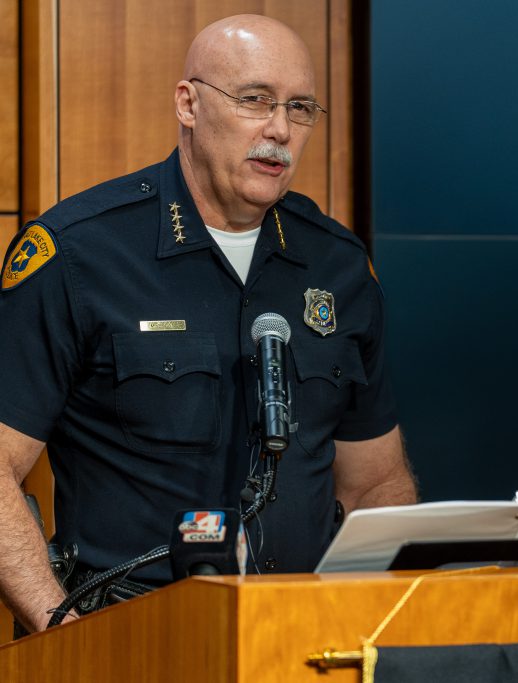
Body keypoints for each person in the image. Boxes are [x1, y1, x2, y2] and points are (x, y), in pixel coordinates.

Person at [0, 14, 417, 633]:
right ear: (188, 104)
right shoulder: (79, 253)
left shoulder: (339, 266)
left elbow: (375, 485)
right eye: (255, 100)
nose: (279, 130)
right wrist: (62, 633)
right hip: (128, 638)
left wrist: (370, 628)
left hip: (301, 639)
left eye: (300, 109)